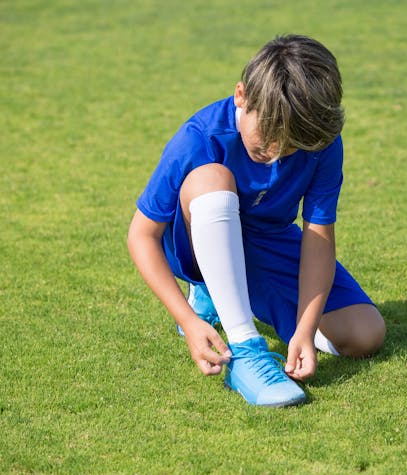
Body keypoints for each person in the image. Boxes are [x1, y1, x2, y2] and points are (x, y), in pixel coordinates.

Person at [127, 34, 385, 407]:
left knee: (365, 335)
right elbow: (141, 235)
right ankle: (244, 349)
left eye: (291, 147)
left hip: (267, 241)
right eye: (267, 142)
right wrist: (187, 321)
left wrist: (305, 328)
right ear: (241, 96)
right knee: (212, 179)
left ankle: (227, 295)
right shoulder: (200, 137)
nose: (277, 154)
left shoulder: (318, 139)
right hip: (193, 246)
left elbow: (318, 235)